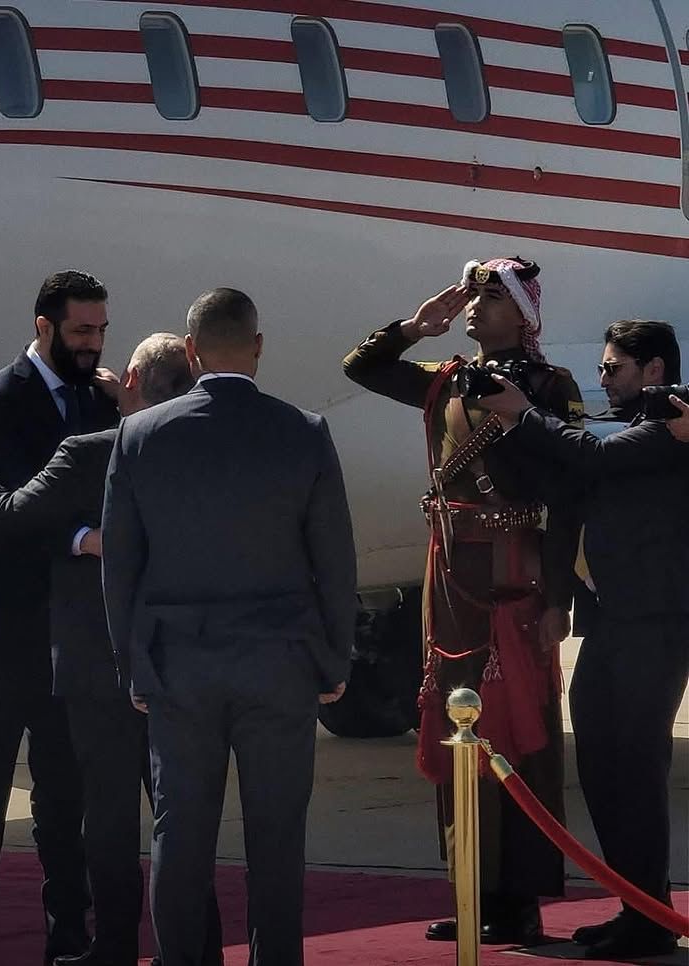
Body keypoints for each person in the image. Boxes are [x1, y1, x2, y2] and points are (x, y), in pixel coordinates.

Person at [103, 288, 356, 966]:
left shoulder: (139, 436)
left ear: (190, 351)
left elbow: (121, 567)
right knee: (278, 838)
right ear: (258, 346)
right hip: (280, 662)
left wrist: (133, 667)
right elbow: (334, 560)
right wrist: (334, 660)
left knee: (180, 836)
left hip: (179, 665)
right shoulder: (303, 431)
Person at [0, 334, 223, 966]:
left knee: (108, 818)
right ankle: (198, 950)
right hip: (183, 660)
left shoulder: (89, 452)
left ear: (129, 380)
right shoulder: (211, 451)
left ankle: (114, 948)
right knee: (181, 817)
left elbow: (10, 516)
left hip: (100, 663)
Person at [342, 258, 582, 945]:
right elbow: (361, 368)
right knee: (457, 727)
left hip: (515, 578)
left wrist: (559, 598)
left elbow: (567, 498)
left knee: (521, 732)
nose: (474, 307)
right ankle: (472, 893)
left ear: (522, 314)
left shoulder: (550, 387)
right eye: (472, 297)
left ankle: (520, 900)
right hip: (451, 581)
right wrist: (414, 328)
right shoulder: (443, 378)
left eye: (491, 297)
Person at [477, 319, 688, 961]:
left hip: (656, 624)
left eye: (614, 367)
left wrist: (524, 412)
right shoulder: (623, 425)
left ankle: (650, 920)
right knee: (600, 764)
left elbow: (592, 456)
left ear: (654, 369)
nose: (603, 377)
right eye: (600, 367)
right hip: (613, 622)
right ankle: (637, 905)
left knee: (636, 769)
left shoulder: (673, 422)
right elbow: (571, 480)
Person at [0, 271, 119, 966]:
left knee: (64, 787)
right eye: (81, 330)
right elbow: (10, 511)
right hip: (2, 621)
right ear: (44, 326)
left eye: (100, 329)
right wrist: (80, 538)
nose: (93, 342)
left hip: (69, 622)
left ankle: (69, 934)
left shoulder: (98, 397)